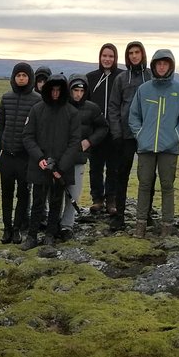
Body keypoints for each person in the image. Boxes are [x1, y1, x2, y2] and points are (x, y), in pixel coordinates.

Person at [128, 50, 179, 239]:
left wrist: (175, 136)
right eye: (159, 64)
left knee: (167, 185)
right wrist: (140, 134)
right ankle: (140, 226)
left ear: (171, 66)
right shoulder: (144, 89)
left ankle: (167, 226)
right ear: (154, 66)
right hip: (146, 147)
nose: (162, 67)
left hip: (169, 148)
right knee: (144, 184)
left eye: (166, 64)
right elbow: (134, 116)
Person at [21, 74, 81, 250]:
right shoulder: (37, 110)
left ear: (63, 91)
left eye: (58, 90)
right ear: (47, 90)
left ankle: (50, 234)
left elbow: (74, 142)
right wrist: (40, 158)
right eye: (52, 89)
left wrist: (61, 166)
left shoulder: (72, 113)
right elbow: (28, 136)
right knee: (38, 201)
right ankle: (32, 236)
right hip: (40, 165)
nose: (55, 93)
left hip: (61, 167)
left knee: (56, 201)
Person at [108, 40, 151, 230]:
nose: (134, 56)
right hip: (124, 136)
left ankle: (146, 215)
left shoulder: (151, 76)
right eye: (131, 53)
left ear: (143, 54)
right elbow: (113, 106)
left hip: (146, 135)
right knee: (121, 175)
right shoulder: (121, 79)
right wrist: (116, 132)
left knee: (147, 175)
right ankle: (119, 217)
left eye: (137, 52)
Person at [0, 61, 37, 244]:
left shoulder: (37, 100)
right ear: (14, 77)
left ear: (29, 78)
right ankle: (7, 229)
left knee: (23, 195)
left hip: (25, 157)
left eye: (24, 75)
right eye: (18, 75)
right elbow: (1, 127)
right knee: (6, 194)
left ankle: (18, 228)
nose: (21, 78)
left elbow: (37, 131)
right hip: (7, 156)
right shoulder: (6, 98)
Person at [61, 75, 109, 237]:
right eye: (75, 90)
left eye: (82, 91)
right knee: (56, 192)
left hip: (79, 158)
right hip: (60, 157)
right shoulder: (61, 106)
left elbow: (103, 128)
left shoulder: (92, 108)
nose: (78, 94)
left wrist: (89, 141)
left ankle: (67, 226)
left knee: (73, 193)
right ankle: (54, 222)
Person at [85, 43, 123, 215]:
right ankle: (97, 199)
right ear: (100, 57)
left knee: (114, 167)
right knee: (96, 166)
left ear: (115, 58)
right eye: (104, 56)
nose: (107, 59)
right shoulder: (91, 77)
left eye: (111, 56)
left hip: (115, 130)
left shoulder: (122, 77)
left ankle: (111, 200)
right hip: (95, 132)